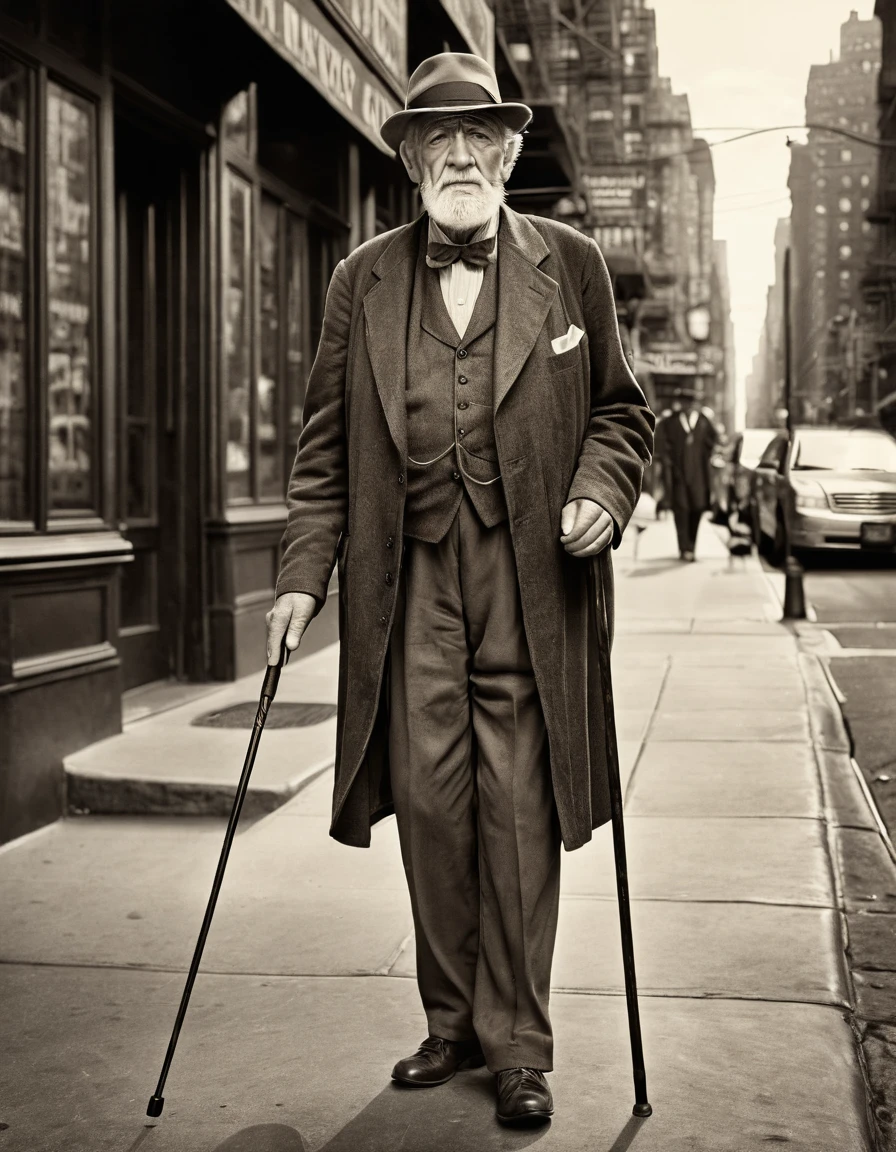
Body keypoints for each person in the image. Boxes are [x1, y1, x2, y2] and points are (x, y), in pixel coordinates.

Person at [265, 51, 654, 1128]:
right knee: (432, 805)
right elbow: (320, 450)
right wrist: (302, 577)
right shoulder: (364, 279)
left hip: (530, 577)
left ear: (511, 150)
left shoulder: (569, 265)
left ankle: (518, 1045)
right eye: (435, 139)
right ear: (407, 160)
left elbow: (624, 414)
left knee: (518, 808)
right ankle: (449, 1024)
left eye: (478, 136)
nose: (458, 154)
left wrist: (598, 494)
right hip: (407, 580)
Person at [657, 386, 717, 561]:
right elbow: (661, 444)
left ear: (695, 404)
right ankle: (684, 549)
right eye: (684, 402)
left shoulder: (704, 422)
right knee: (681, 511)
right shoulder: (671, 422)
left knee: (697, 510)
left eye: (691, 402)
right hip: (678, 476)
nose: (688, 405)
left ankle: (692, 546)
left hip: (699, 476)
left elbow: (713, 442)